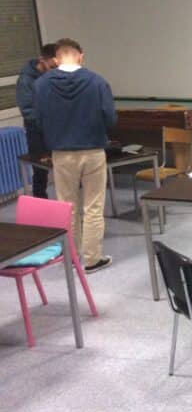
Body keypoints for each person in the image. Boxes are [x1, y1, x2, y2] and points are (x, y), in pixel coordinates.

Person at [33, 38, 117, 273]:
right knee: (93, 207)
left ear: (55, 59)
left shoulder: (41, 84)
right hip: (92, 150)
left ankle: (72, 256)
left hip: (61, 153)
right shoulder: (97, 81)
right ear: (81, 56)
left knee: (67, 206)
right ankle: (92, 259)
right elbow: (110, 118)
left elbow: (37, 120)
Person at [15, 43, 58, 198]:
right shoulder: (26, 80)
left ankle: (69, 204)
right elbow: (27, 110)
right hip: (37, 132)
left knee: (65, 166)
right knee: (40, 170)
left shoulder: (53, 76)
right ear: (42, 60)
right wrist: (47, 124)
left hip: (57, 129)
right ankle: (40, 202)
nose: (55, 70)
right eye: (52, 66)